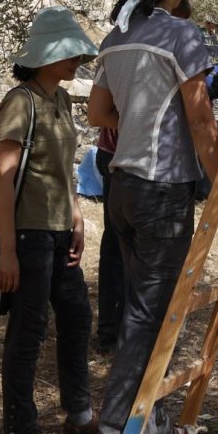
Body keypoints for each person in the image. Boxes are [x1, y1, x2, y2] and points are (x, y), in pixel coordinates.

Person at [87, 0, 218, 434]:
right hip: (162, 193)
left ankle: (153, 427)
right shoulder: (182, 36)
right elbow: (203, 123)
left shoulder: (116, 37)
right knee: (146, 318)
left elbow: (96, 112)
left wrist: (136, 112)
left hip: (122, 190)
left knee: (149, 311)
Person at [0, 6, 99, 434]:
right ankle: (21, 428)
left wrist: (76, 216)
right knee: (30, 327)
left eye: (79, 52)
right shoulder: (21, 101)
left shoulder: (59, 100)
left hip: (60, 230)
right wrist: (8, 252)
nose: (77, 60)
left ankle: (78, 414)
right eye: (68, 52)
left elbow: (64, 170)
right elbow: (4, 178)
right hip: (30, 234)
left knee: (76, 317)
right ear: (44, 56)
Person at [94, 126, 124, 354]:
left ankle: (112, 332)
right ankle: (112, 334)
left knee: (116, 246)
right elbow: (98, 113)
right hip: (123, 156)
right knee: (118, 247)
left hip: (118, 153)